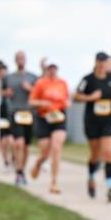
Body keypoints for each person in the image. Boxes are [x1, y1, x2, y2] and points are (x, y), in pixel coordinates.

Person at [74, 51, 111, 201]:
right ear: (96, 62)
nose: (102, 65)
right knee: (95, 154)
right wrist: (90, 97)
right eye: (99, 61)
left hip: (110, 120)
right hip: (92, 121)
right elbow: (76, 96)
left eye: (105, 62)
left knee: (108, 152)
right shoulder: (88, 79)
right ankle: (91, 176)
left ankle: (110, 187)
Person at [29, 60, 70, 194]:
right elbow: (31, 101)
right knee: (45, 153)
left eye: (54, 68)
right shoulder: (40, 83)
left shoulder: (62, 83)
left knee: (56, 148)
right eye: (50, 68)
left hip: (59, 117)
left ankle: (54, 182)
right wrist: (42, 103)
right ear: (47, 70)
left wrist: (65, 103)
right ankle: (38, 164)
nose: (52, 71)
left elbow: (67, 99)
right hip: (44, 118)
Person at [3, 51, 39, 186]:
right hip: (15, 112)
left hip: (29, 113)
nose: (20, 60)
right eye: (18, 58)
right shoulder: (9, 78)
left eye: (22, 58)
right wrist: (6, 93)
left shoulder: (33, 77)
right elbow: (2, 91)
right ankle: (18, 172)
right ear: (15, 60)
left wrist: (29, 88)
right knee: (18, 143)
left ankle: (22, 170)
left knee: (26, 147)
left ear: (26, 60)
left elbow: (39, 93)